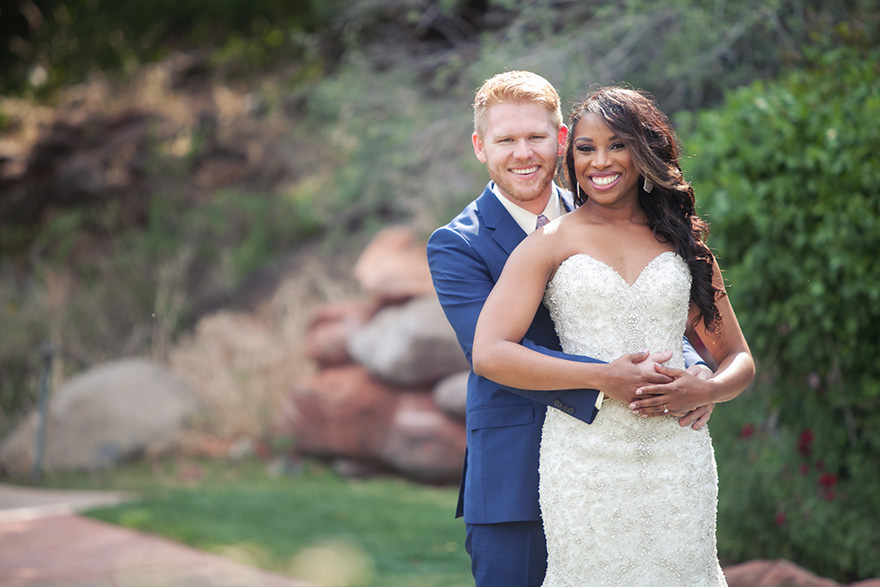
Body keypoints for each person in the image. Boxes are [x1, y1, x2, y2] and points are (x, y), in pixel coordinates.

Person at [427, 71, 715, 587]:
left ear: (561, 140)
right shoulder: (457, 244)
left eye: (536, 137)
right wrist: (610, 377)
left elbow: (651, 309)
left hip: (636, 465)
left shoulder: (611, 212)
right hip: (517, 475)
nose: (523, 153)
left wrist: (687, 375)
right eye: (506, 140)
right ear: (480, 146)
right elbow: (490, 353)